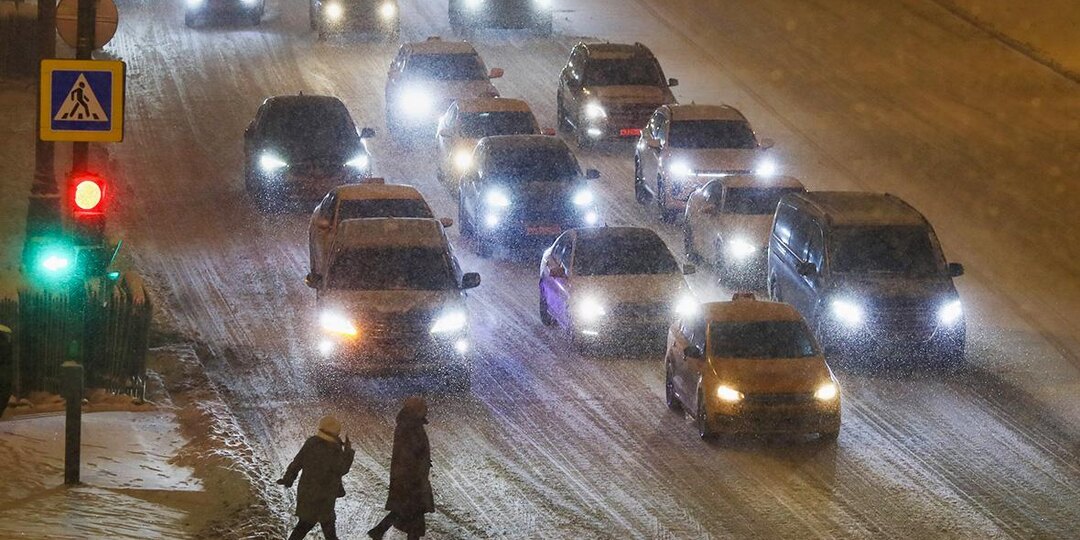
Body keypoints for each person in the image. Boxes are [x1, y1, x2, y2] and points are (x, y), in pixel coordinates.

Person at [278, 415, 355, 540]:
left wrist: (288, 479)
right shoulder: (334, 450)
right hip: (324, 497)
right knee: (321, 529)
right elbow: (342, 469)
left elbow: (297, 463)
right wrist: (348, 452)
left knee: (306, 526)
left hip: (308, 493)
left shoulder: (311, 442)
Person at [368, 397, 434, 540]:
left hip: (409, 477)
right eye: (423, 408)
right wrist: (417, 472)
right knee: (414, 514)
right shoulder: (410, 427)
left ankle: (378, 531)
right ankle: (379, 531)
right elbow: (409, 454)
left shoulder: (410, 424)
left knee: (404, 510)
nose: (426, 411)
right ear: (416, 410)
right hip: (411, 479)